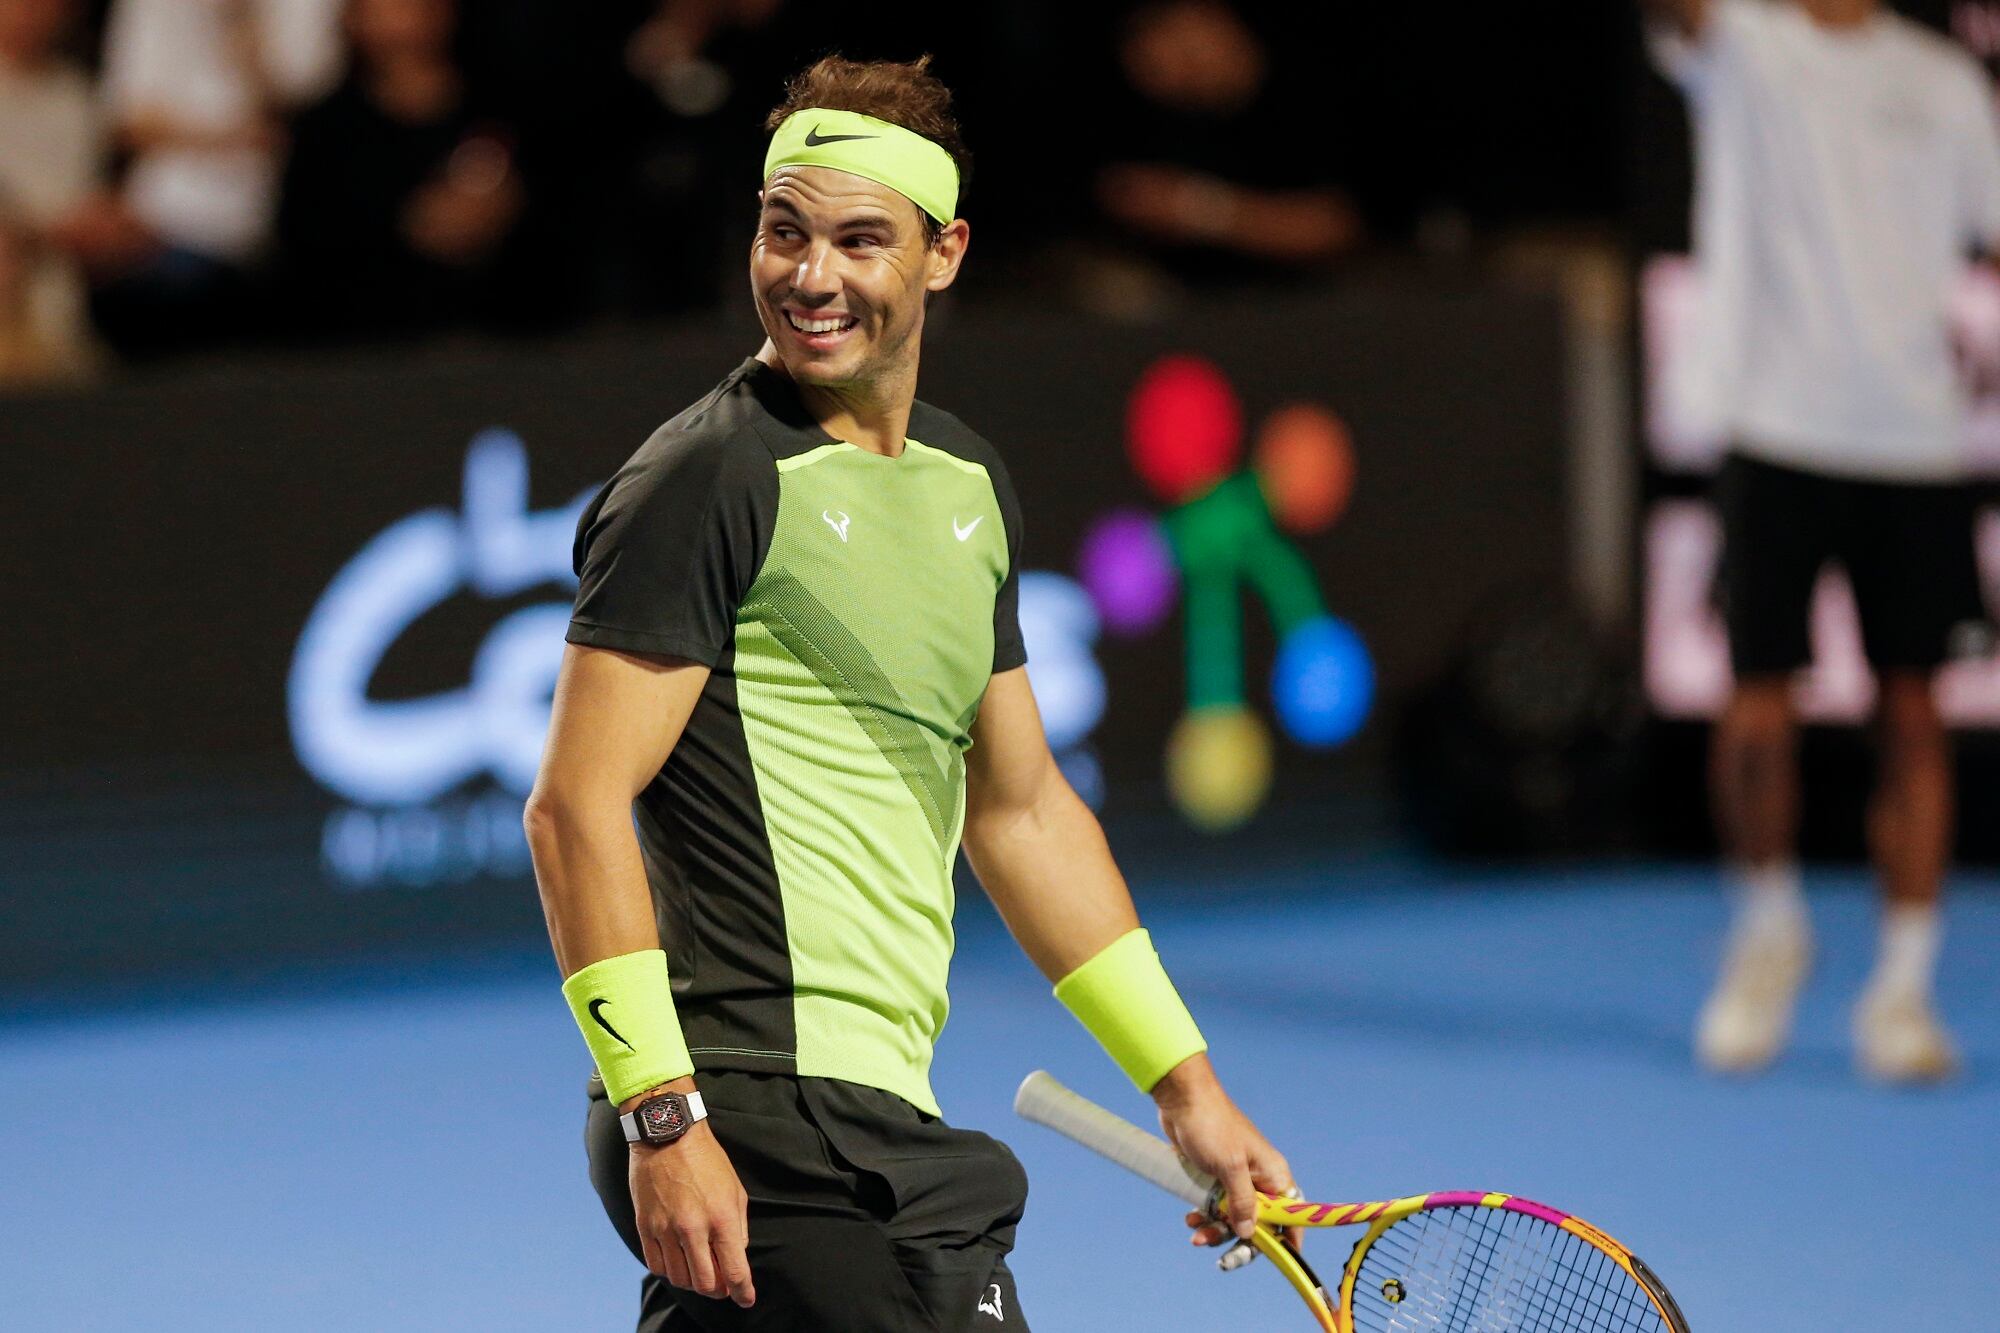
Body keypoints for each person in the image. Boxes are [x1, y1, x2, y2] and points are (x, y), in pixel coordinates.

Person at [524, 54, 1298, 1331]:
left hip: (870, 1106)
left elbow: (1022, 812)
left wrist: (1185, 1085)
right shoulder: (707, 479)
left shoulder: (964, 488)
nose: (808, 276)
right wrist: (664, 1117)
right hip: (755, 1107)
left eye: (857, 240)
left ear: (943, 255)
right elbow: (573, 807)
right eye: (783, 232)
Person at [1647, 0, 2000, 1081]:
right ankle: (1765, 928)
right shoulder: (1741, 40)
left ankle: (1898, 991)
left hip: (1913, 444)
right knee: (1755, 708)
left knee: (1912, 712)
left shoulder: (1943, 81)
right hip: (1771, 429)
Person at [275, 0, 529, 339]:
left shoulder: (504, 108)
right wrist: (410, 226)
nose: (402, 19)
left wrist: (502, 210)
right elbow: (306, 245)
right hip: (371, 347)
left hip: (509, 340)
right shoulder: (327, 130)